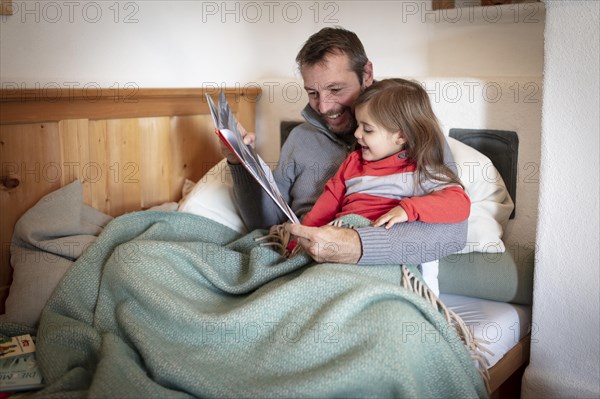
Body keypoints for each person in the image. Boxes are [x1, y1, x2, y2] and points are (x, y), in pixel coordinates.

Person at [222, 27, 467, 264]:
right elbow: (264, 224)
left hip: (371, 264)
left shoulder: (416, 135)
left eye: (336, 89)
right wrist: (238, 163)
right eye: (313, 93)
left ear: (367, 74)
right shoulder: (299, 139)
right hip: (301, 258)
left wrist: (357, 246)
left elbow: (453, 232)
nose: (324, 107)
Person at [301, 78, 470, 230]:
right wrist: (300, 237)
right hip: (340, 233)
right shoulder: (353, 162)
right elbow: (326, 206)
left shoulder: (418, 169)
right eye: (358, 125)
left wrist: (408, 209)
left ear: (401, 135)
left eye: (367, 129)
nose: (357, 134)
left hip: (378, 242)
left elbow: (459, 203)